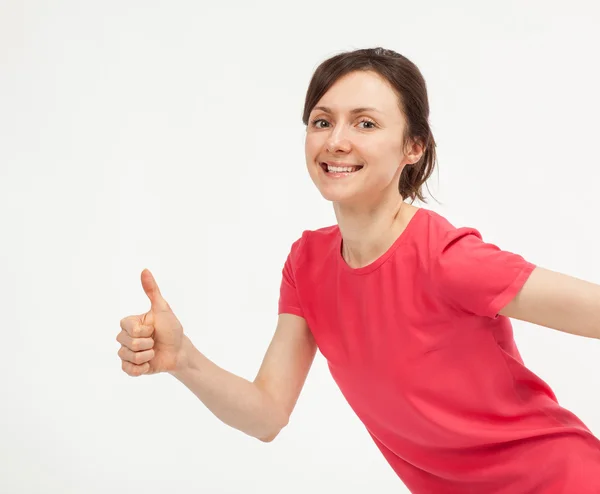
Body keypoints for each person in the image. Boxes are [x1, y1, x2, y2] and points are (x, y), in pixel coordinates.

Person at [116, 47, 600, 492]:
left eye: (366, 124)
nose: (337, 141)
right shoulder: (306, 265)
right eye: (322, 121)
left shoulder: (446, 259)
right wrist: (184, 359)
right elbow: (266, 415)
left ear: (414, 147)